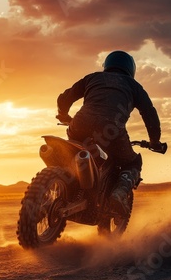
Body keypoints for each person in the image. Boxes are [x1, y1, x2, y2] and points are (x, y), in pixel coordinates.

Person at [56, 50, 163, 215]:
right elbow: (150, 114)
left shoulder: (92, 78)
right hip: (112, 131)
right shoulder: (134, 86)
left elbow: (65, 97)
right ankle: (119, 192)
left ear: (107, 65)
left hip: (79, 125)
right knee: (132, 163)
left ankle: (68, 183)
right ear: (130, 69)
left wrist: (63, 114)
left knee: (72, 151)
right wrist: (154, 141)